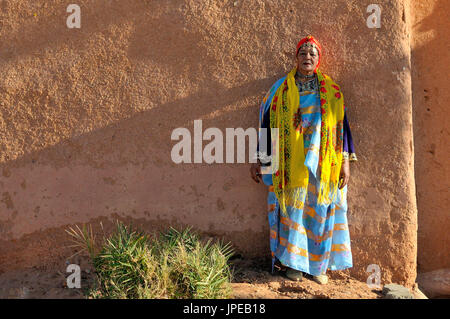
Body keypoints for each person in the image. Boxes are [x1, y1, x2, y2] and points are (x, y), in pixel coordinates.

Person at [250, 35, 357, 285]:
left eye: (312, 54)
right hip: (289, 165)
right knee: (292, 212)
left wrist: (345, 163)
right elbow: (268, 128)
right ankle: (293, 265)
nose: (307, 57)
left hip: (322, 165)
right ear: (295, 58)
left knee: (320, 211)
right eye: (302, 53)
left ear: (318, 60)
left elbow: (342, 128)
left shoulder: (332, 91)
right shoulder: (280, 91)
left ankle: (318, 267)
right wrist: (260, 159)